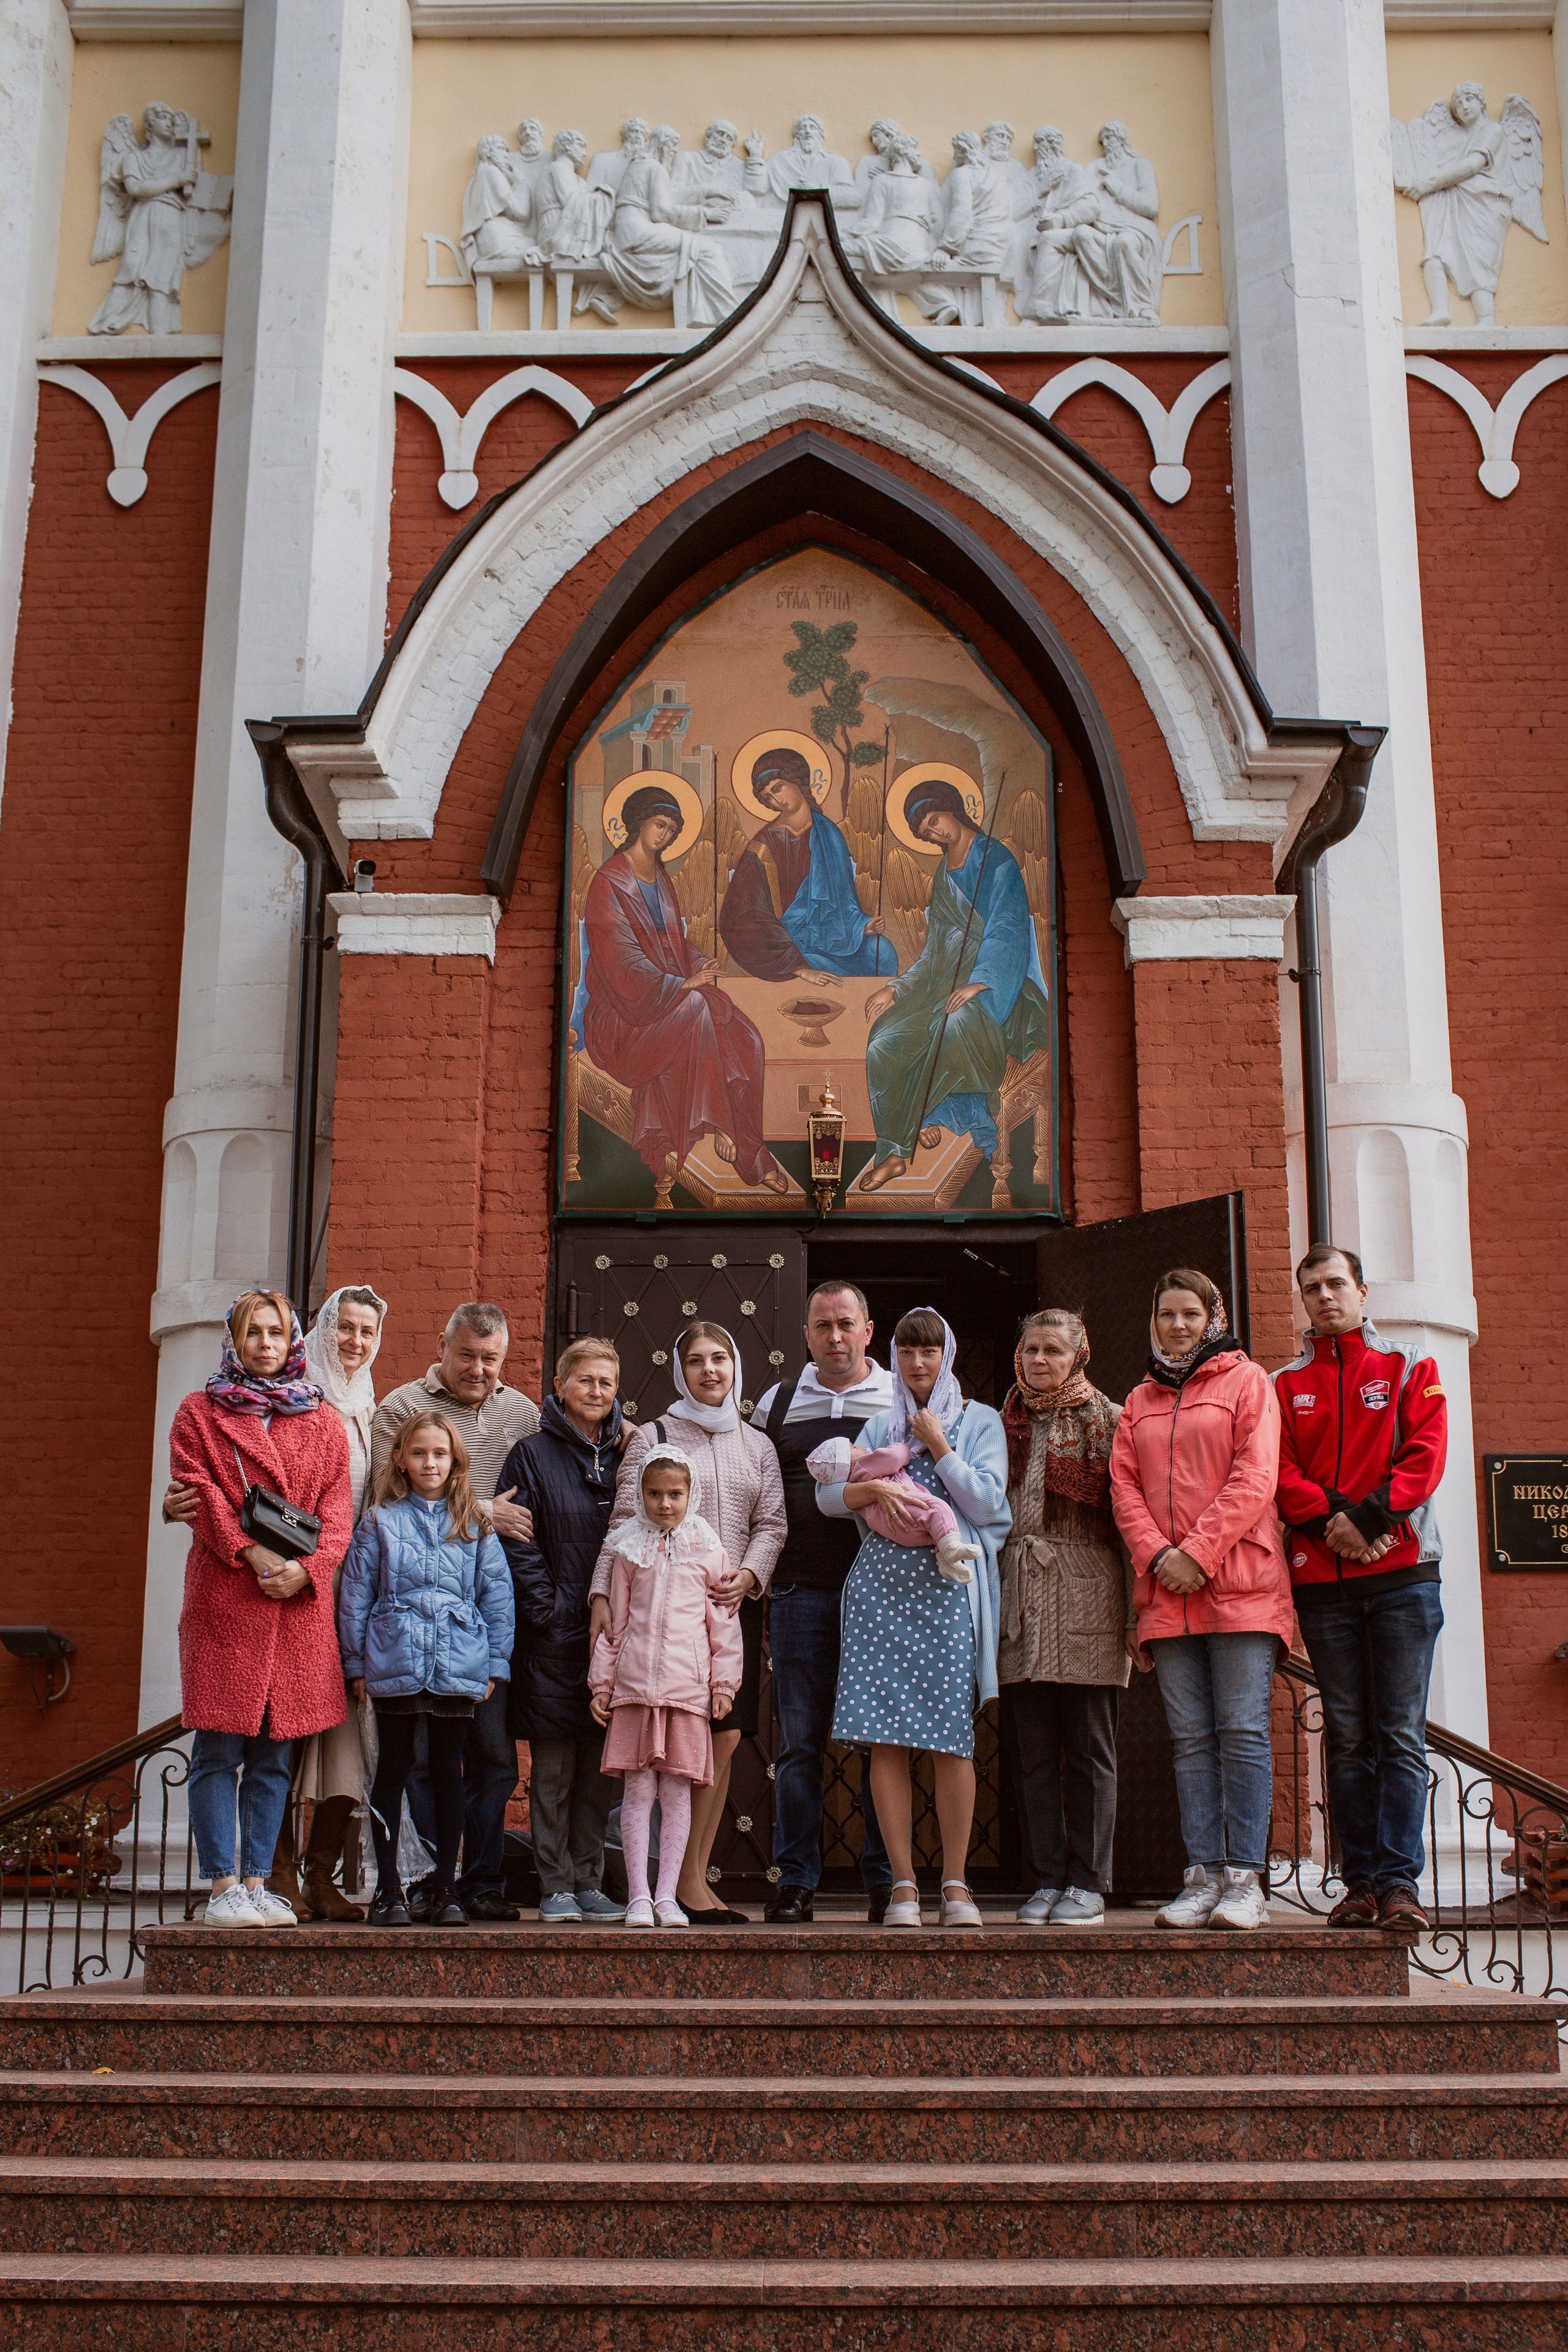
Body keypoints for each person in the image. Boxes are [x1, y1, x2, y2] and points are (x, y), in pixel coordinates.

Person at [162, 1283, 389, 1918]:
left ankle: (260, 1885)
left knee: (273, 1755)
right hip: (228, 1599)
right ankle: (219, 1885)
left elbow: (337, 1516)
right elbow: (200, 1491)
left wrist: (307, 1571)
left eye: (276, 1333)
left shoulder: (317, 1419)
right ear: (234, 1339)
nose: (266, 1344)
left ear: (293, 1341)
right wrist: (254, 1555)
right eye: (253, 1332)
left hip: (297, 1608)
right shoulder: (199, 1412)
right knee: (217, 1752)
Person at [1110, 1270, 1292, 1932]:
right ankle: (1200, 1876)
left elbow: (1255, 1479)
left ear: (1213, 1316)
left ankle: (1245, 1880)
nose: (1178, 1325)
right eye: (1166, 1314)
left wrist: (1197, 1554)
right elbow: (1123, 1491)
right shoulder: (1137, 1399)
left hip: (1240, 1584)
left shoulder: (1248, 1382)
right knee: (1189, 1741)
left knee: (1241, 1733)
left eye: (1190, 1313)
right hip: (1167, 1592)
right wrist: (1161, 1558)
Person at [1274, 1244, 1448, 1935]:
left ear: (1362, 1291)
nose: (1324, 1296)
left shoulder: (1408, 1364)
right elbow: (1278, 1470)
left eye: (1335, 1284)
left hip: (1403, 1581)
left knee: (1398, 1735)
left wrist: (1369, 1520)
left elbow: (1425, 1453)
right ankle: (1358, 1886)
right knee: (1346, 1738)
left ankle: (1399, 1884)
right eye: (1311, 1288)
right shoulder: (1284, 1384)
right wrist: (1333, 1525)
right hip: (1326, 1585)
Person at [589, 1320, 785, 1921]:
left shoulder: (757, 1445)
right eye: (697, 1360)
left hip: (725, 1609)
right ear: (681, 1371)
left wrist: (749, 1576)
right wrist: (601, 1591)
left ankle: (689, 1876)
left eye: (720, 1358)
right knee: (656, 1764)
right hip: (656, 1611)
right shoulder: (654, 1436)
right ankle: (669, 1886)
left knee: (721, 1738)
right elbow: (624, 1520)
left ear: (735, 1367)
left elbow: (772, 1522)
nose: (710, 1370)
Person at [819, 1308, 1009, 1928]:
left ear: (946, 1354)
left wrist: (939, 1445)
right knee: (886, 1740)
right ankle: (903, 1885)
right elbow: (828, 1495)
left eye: (929, 1351)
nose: (918, 1363)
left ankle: (955, 1886)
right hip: (880, 1591)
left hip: (948, 1588)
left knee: (952, 1739)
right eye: (907, 1352)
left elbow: (986, 1504)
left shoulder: (979, 1420)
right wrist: (873, 1490)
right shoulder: (878, 1422)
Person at [372, 1303, 538, 1920]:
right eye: (466, 1355)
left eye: (490, 1359)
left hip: (480, 1616)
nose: (477, 1369)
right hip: (413, 1624)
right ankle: (429, 1880)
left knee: (493, 1756)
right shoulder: (400, 1408)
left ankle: (484, 1880)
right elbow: (379, 1500)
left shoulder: (522, 1413)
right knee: (417, 1759)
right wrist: (481, 1513)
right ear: (443, 1346)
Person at [752, 1284, 895, 1923]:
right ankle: (795, 1882)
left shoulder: (900, 1398)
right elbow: (752, 1490)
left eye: (846, 1324)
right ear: (806, 1335)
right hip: (798, 1593)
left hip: (884, 1597)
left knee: (880, 1743)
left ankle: (887, 1883)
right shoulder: (777, 1402)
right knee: (799, 1745)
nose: (834, 1337)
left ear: (869, 1330)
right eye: (822, 1326)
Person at [340, 1413, 513, 1926]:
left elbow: (497, 1598)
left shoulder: (475, 1523)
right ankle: (389, 1889)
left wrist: (494, 1667)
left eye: (439, 1454)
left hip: (458, 1664)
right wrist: (356, 1664)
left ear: (454, 1459)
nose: (430, 1463)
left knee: (448, 1773)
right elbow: (355, 1596)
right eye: (419, 1453)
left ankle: (445, 1888)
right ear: (400, 1459)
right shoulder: (380, 1521)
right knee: (393, 1770)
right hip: (395, 1661)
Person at [998, 1308, 1137, 1929]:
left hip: (1089, 1594)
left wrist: (1137, 1615)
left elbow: (1131, 1520)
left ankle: (1088, 1880)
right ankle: (1046, 1878)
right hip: (1020, 1599)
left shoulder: (1110, 1421)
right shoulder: (1002, 1421)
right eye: (1030, 1349)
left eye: (1053, 1350)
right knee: (1033, 1753)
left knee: (1089, 1749)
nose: (1038, 1361)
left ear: (1078, 1356)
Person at [582, 782, 787, 1199]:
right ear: (639, 823)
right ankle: (728, 1132)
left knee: (744, 1034)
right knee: (696, 1006)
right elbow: (620, 963)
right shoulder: (609, 882)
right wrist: (681, 984)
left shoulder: (660, 878)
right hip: (623, 1015)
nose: (665, 836)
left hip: (663, 996)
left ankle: (748, 1144)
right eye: (660, 825)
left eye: (672, 830)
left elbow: (671, 944)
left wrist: (697, 965)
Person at [858, 778, 1050, 1194]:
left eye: (935, 820)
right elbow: (935, 948)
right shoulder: (944, 875)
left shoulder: (996, 861)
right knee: (883, 1040)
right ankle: (893, 1150)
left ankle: (918, 1125)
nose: (936, 832)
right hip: (942, 983)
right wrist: (897, 988)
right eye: (927, 832)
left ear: (952, 809)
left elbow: (1009, 930)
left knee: (956, 1021)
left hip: (1002, 987)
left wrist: (981, 983)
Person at [497, 1340, 628, 1923]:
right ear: (560, 1386)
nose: (596, 1392)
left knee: (601, 1769)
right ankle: (554, 1884)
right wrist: (548, 1610)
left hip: (617, 1638)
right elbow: (516, 1540)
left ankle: (590, 1880)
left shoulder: (633, 1453)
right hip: (554, 1636)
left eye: (606, 1382)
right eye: (585, 1381)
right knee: (552, 1771)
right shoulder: (531, 1454)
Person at [590, 1445, 745, 1926]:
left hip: (686, 1694)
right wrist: (602, 1683)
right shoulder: (627, 1548)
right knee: (638, 1795)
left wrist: (724, 1684)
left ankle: (667, 1897)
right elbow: (613, 1625)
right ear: (640, 1495)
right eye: (654, 1494)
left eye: (675, 1494)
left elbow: (723, 1625)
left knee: (678, 1794)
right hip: (634, 1692)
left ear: (690, 1494)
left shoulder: (709, 1549)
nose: (664, 1504)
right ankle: (638, 1896)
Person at [719, 746, 894, 982]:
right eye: (768, 798)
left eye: (778, 788)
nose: (776, 800)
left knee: (881, 952)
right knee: (824, 968)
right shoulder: (762, 846)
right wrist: (797, 966)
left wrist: (861, 927)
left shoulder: (830, 833)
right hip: (790, 945)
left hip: (835, 937)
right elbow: (741, 915)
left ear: (796, 781)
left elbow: (844, 899)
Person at [807, 1433, 979, 1581]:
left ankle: (946, 1562)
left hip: (898, 1532)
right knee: (938, 1509)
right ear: (849, 1466)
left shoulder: (853, 1483)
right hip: (905, 1512)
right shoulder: (866, 1464)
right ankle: (952, 1547)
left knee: (934, 1530)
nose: (860, 1445)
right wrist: (903, 1446)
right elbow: (896, 1457)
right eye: (853, 1447)